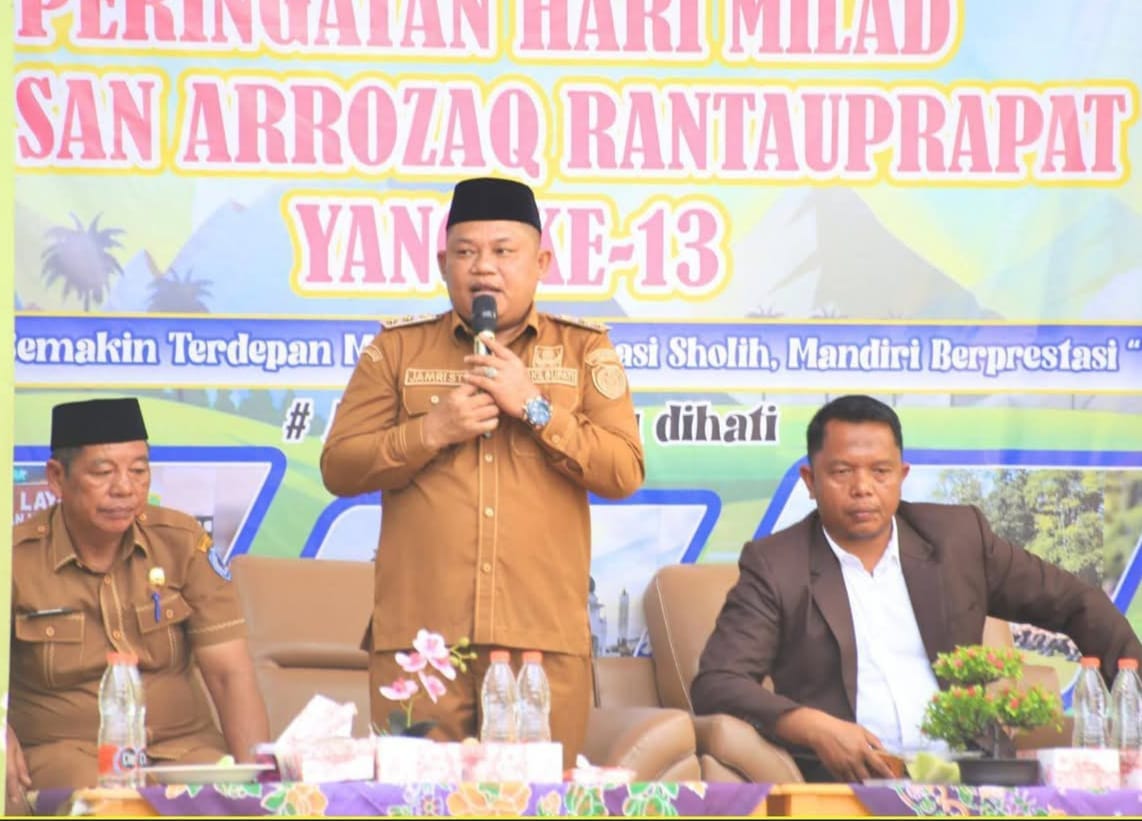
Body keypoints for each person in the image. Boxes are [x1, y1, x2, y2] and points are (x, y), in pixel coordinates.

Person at [321, 176, 644, 768]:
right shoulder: (397, 350)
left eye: (502, 251)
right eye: (466, 252)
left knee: (534, 803)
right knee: (413, 803)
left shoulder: (585, 351)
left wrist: (535, 406)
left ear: (541, 262)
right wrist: (430, 431)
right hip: (421, 647)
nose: (483, 268)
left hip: (539, 647)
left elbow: (623, 471)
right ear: (442, 263)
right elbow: (338, 466)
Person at [691, 394, 1142, 783]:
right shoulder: (777, 565)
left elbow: (1076, 603)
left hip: (968, 778)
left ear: (902, 475)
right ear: (811, 481)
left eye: (880, 471)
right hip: (849, 782)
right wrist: (812, 726)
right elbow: (718, 682)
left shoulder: (957, 539)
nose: (863, 488)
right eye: (842, 472)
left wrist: (1134, 699)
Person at [6, 398, 269, 808]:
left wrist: (264, 787)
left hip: (182, 749)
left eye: (139, 471)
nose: (125, 489)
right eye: (103, 472)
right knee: (109, 804)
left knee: (223, 800)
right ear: (57, 478)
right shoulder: (15, 559)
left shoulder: (182, 543)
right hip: (67, 753)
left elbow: (228, 674)